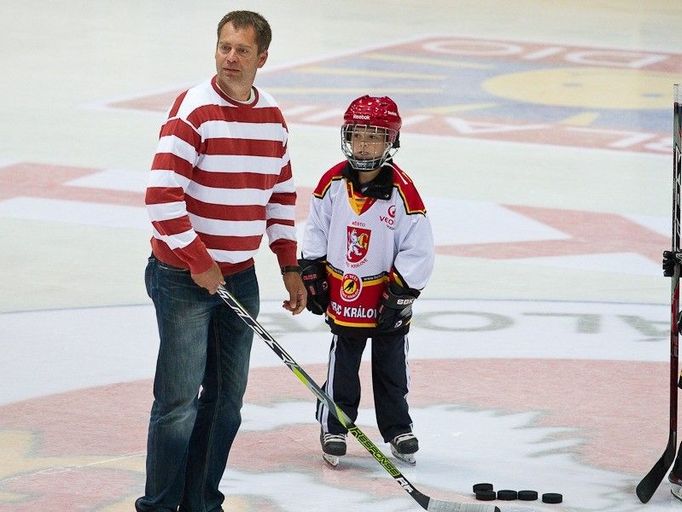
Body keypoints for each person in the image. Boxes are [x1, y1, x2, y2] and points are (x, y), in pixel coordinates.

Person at [137, 11, 306, 512]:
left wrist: (289, 265)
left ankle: (202, 503)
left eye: (242, 51)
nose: (230, 58)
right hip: (181, 278)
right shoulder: (195, 109)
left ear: (263, 59)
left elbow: (279, 195)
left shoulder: (272, 115)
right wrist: (197, 260)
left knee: (226, 405)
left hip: (240, 277)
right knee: (177, 407)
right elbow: (162, 195)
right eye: (224, 47)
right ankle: (160, 506)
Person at [299, 95, 435, 466]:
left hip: (385, 295)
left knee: (391, 365)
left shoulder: (404, 193)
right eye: (357, 135)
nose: (363, 144)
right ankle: (334, 424)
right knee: (343, 362)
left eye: (374, 137)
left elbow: (418, 247)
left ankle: (397, 427)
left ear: (391, 141)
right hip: (346, 292)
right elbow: (317, 229)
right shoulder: (332, 182)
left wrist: (401, 293)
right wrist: (310, 270)